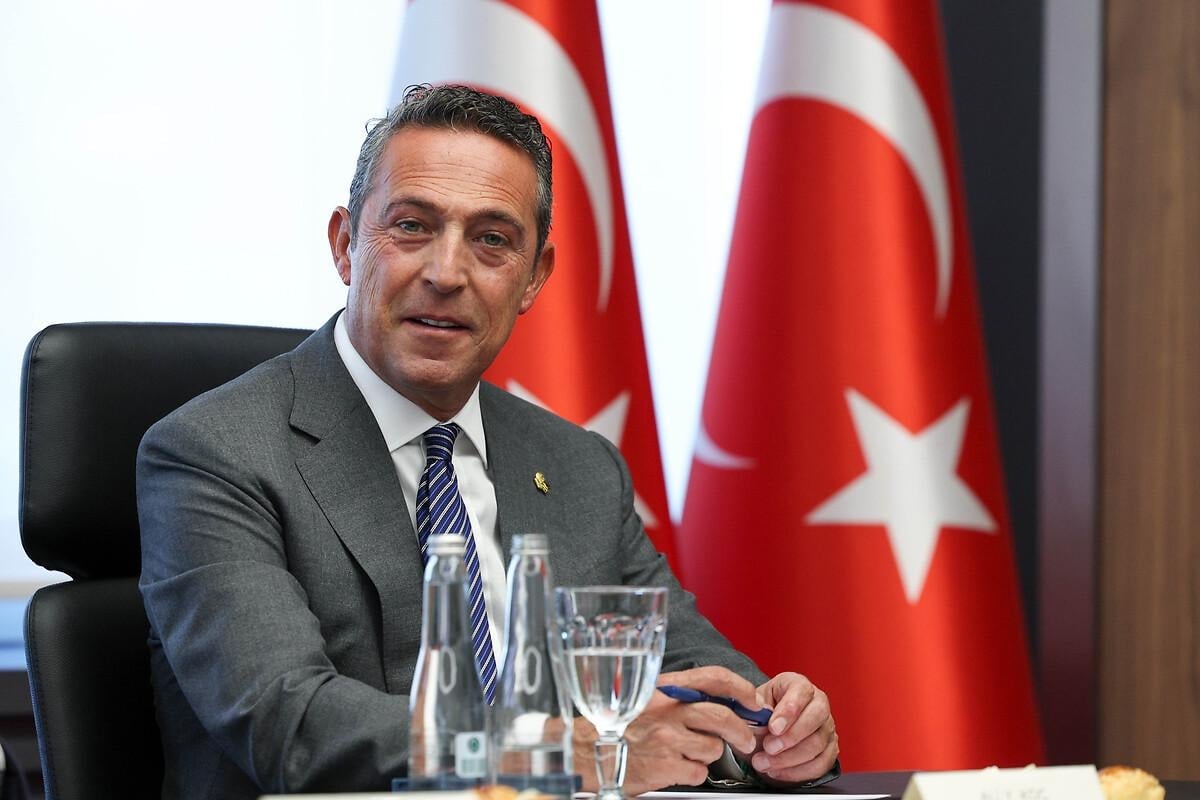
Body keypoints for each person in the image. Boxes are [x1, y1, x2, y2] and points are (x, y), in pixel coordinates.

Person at [137, 84, 838, 800]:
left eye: (492, 240)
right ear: (346, 246)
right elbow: (290, 725)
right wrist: (565, 752)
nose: (447, 273)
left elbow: (697, 683)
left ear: (534, 278)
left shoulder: (579, 468)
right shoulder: (216, 452)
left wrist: (776, 732)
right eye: (412, 226)